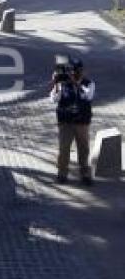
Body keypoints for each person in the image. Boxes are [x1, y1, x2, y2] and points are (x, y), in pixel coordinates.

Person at [50, 57, 95, 185]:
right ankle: (62, 174)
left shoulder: (89, 83)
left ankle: (85, 174)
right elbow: (53, 99)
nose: (74, 73)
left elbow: (87, 96)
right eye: (72, 71)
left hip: (82, 122)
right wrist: (56, 85)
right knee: (64, 149)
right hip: (66, 122)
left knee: (83, 149)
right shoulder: (62, 83)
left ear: (82, 71)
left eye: (77, 71)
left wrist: (77, 83)